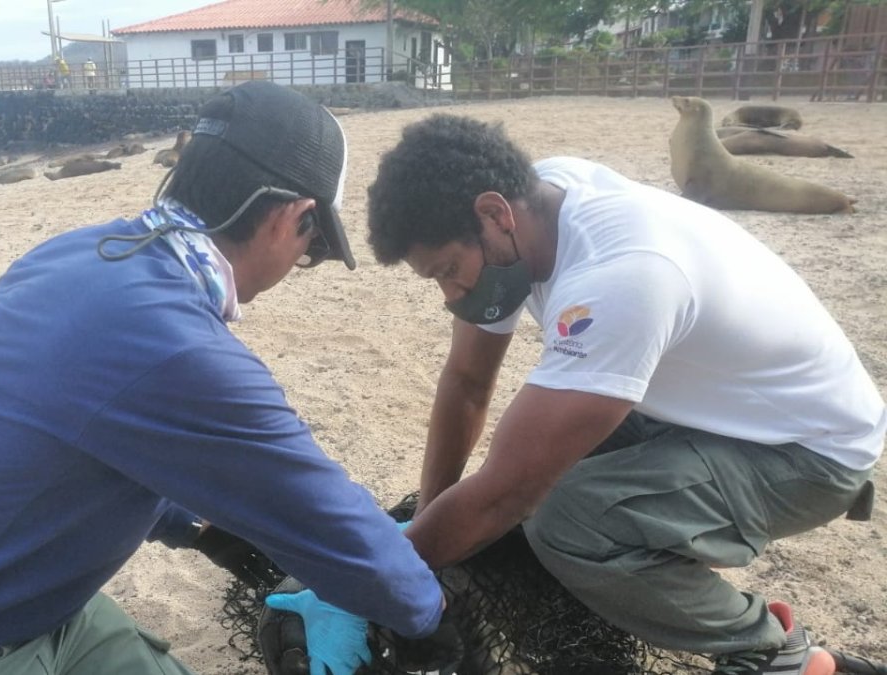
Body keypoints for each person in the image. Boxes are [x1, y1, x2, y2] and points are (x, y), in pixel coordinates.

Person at [0, 81, 445, 675]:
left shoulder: (78, 253)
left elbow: (79, 433)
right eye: (313, 247)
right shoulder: (170, 341)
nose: (302, 259)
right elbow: (323, 513)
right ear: (290, 218)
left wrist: (197, 527)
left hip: (36, 610)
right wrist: (429, 622)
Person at [363, 114, 883, 675]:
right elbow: (467, 383)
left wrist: (378, 583)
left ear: (493, 214)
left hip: (807, 451)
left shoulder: (620, 277)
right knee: (515, 499)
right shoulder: (540, 200)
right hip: (711, 407)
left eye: (448, 270)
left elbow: (505, 493)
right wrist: (421, 527)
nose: (451, 294)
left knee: (569, 518)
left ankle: (775, 653)